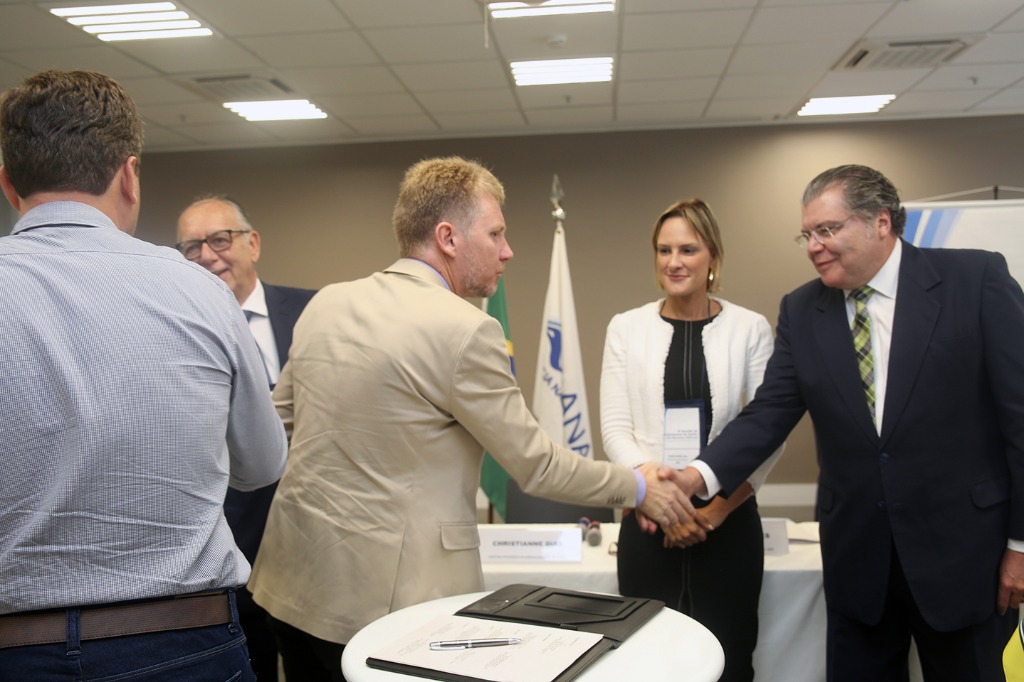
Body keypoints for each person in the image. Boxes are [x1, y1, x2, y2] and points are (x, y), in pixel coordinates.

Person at [247, 156, 693, 681]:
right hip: (388, 614)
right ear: (448, 238)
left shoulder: (328, 303)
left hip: (291, 587)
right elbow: (538, 467)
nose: (508, 250)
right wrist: (640, 487)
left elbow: (275, 431)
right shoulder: (465, 330)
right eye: (495, 233)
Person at [670, 164, 1024, 682]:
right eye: (807, 235)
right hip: (860, 565)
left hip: (966, 561)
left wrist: (1021, 545)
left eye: (827, 230)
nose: (813, 247)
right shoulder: (801, 310)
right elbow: (770, 412)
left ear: (881, 222)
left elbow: (1020, 419)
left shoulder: (974, 280)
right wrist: (696, 476)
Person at [0, 70, 287, 680]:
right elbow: (263, 465)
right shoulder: (202, 291)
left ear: (7, 183)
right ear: (129, 176)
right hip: (184, 643)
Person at [599, 198, 782, 682]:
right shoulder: (626, 328)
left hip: (727, 523)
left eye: (688, 249)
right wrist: (654, 497)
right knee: (644, 663)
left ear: (712, 257)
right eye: (664, 250)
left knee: (730, 660)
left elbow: (767, 432)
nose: (674, 262)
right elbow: (615, 428)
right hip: (646, 522)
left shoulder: (749, 329)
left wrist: (715, 510)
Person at [176, 195, 317, 681]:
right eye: (191, 248)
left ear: (252, 244)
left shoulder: (313, 310)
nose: (207, 256)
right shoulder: (177, 326)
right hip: (234, 547)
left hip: (314, 539)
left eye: (220, 240)